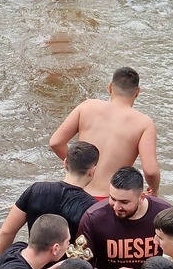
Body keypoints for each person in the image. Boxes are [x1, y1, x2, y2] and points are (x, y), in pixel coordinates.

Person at [50, 67, 161, 198]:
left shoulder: (87, 106)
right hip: (107, 200)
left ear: (110, 87)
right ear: (137, 92)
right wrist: (154, 191)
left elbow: (56, 142)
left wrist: (77, 165)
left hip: (74, 192)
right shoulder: (144, 123)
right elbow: (150, 171)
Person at [77, 166, 171, 269]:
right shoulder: (94, 218)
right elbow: (80, 268)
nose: (116, 206)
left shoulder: (163, 215)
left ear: (141, 197)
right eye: (112, 199)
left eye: (124, 202)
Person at [0, 141, 99, 256]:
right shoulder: (93, 208)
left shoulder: (36, 190)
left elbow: (7, 232)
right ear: (92, 171)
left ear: (65, 163)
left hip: (33, 267)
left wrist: (1, 264)